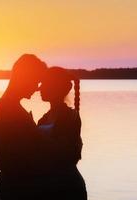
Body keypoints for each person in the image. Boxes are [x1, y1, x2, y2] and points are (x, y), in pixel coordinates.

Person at [0, 54, 55, 199]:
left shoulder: (9, 106)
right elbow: (15, 158)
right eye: (35, 81)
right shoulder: (10, 110)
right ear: (24, 78)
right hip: (16, 191)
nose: (37, 88)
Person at [37, 66, 87, 199]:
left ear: (56, 87)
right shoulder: (43, 119)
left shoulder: (71, 117)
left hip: (68, 187)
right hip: (50, 185)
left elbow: (68, 154)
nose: (40, 88)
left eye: (45, 83)